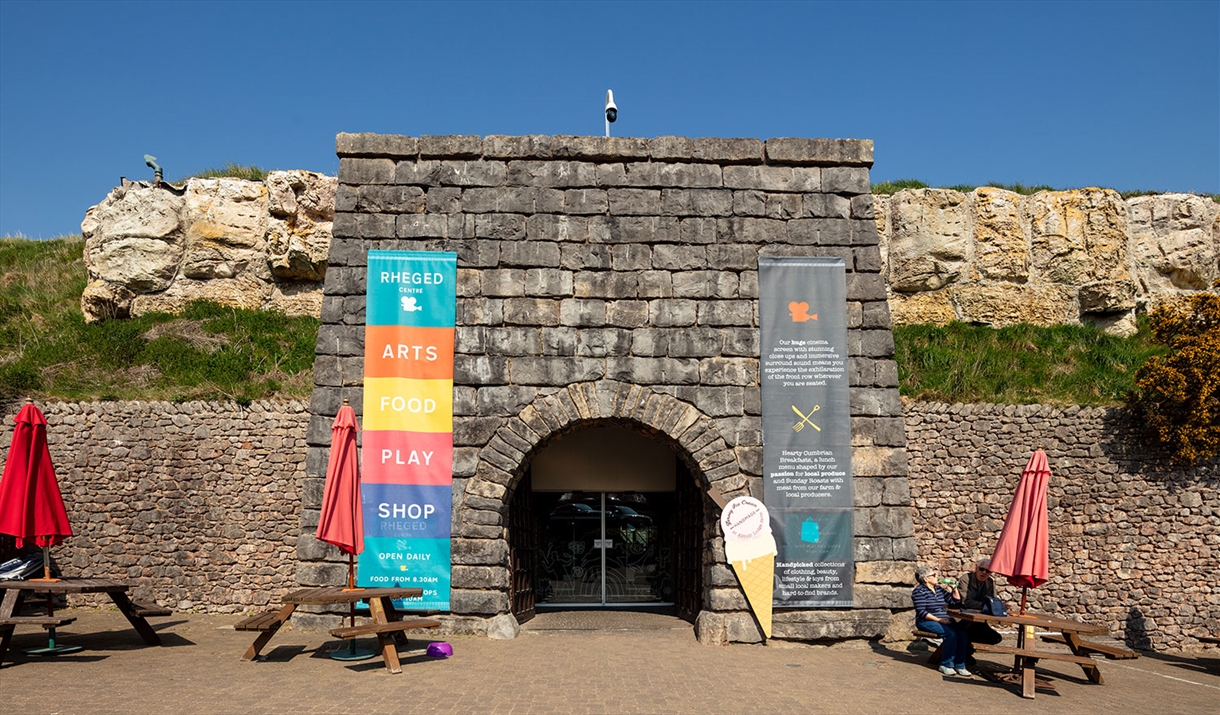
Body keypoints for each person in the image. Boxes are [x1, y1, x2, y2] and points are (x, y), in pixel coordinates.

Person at [912, 564, 972, 677]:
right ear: (926, 579)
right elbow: (921, 612)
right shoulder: (919, 592)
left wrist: (954, 589)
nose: (937, 576)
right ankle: (946, 664)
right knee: (951, 635)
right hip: (927, 621)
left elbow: (954, 601)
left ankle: (960, 665)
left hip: (944, 619)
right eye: (933, 575)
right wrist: (939, 620)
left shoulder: (938, 589)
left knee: (963, 634)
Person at [959, 558, 1004, 667]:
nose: (983, 572)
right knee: (965, 632)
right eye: (981, 569)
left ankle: (965, 652)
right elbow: (965, 601)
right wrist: (985, 606)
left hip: (979, 620)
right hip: (962, 618)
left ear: (991, 573)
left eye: (987, 571)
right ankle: (962, 654)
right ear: (976, 568)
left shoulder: (990, 582)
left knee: (995, 638)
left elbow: (992, 601)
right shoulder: (966, 579)